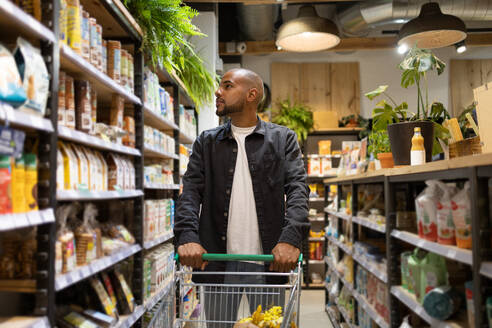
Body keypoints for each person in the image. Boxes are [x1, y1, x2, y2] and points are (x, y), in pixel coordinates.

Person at [174, 68, 310, 326]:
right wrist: (188, 236)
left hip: (270, 262)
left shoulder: (283, 139)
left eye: (227, 86)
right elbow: (190, 192)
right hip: (217, 262)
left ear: (251, 94)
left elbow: (297, 190)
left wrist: (291, 238)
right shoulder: (207, 142)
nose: (218, 92)